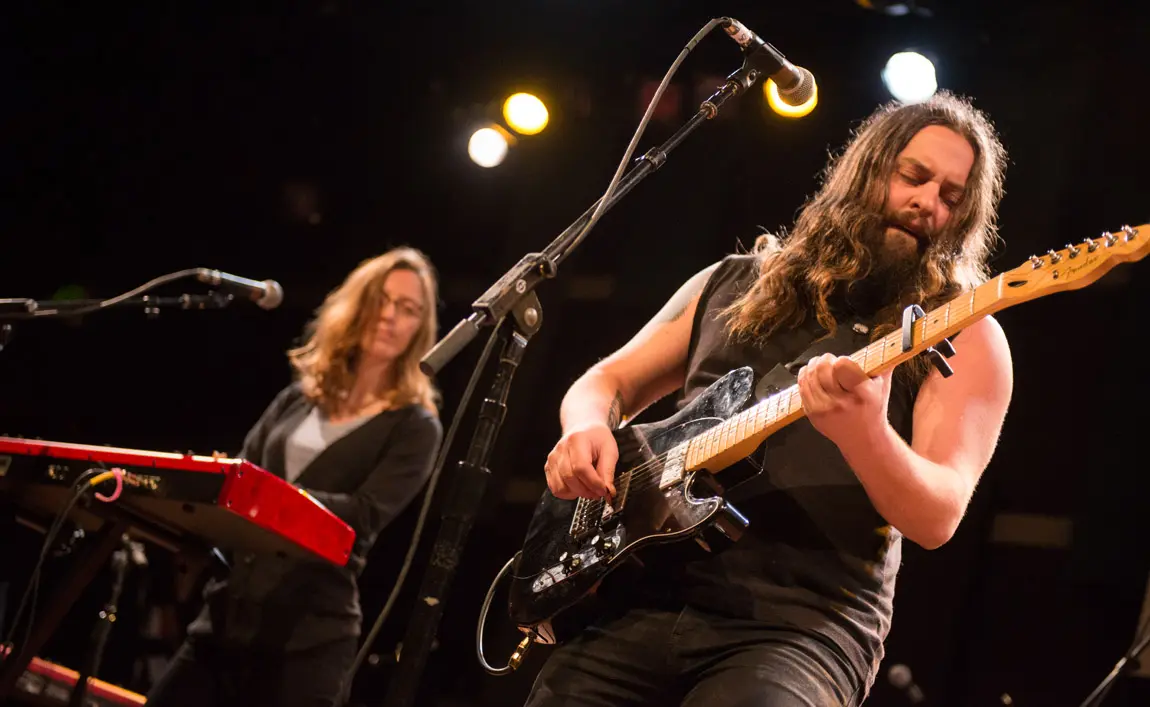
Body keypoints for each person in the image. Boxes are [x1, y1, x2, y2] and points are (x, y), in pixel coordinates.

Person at [527, 91, 1014, 706]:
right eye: (913, 177)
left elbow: (937, 517)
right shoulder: (734, 280)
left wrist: (866, 434)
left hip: (799, 630)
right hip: (634, 601)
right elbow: (606, 383)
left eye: (951, 197)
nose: (927, 203)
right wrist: (584, 428)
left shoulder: (963, 330)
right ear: (864, 170)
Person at [145, 247, 444, 707]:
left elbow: (364, 514)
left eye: (407, 309)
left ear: (419, 328)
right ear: (355, 305)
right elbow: (240, 476)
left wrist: (268, 497)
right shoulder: (298, 398)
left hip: (309, 640)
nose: (389, 316)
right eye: (380, 300)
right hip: (224, 619)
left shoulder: (415, 425)